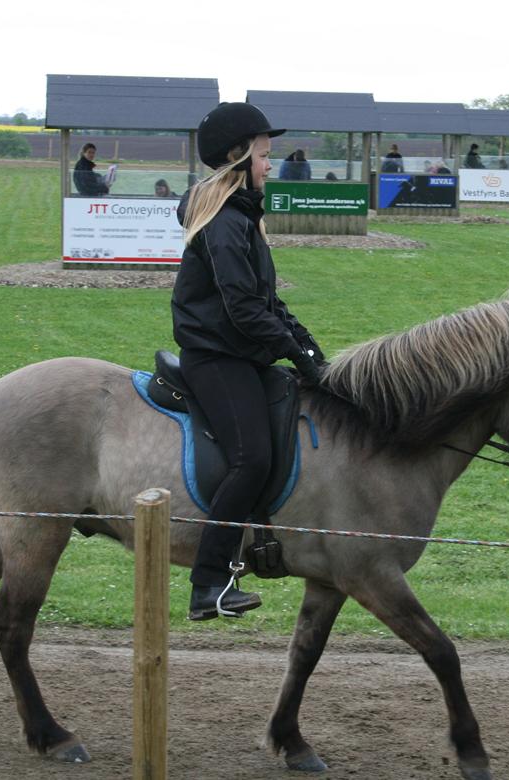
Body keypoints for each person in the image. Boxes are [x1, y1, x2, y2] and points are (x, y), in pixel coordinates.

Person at [173, 102, 326, 621]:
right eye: (263, 156)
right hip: (216, 357)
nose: (270, 165)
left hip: (240, 350)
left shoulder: (243, 219)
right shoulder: (221, 223)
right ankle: (208, 584)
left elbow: (266, 302)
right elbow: (241, 309)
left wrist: (307, 347)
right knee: (252, 458)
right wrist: (290, 350)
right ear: (238, 159)